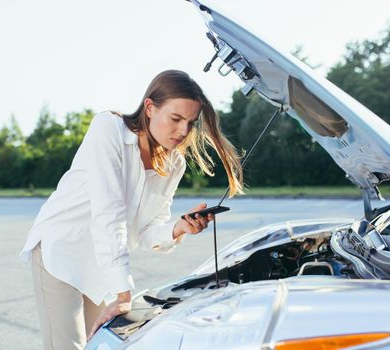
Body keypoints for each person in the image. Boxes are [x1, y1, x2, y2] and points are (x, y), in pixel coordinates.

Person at [19, 70, 244, 349]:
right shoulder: (108, 129)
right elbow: (108, 214)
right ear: (150, 108)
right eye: (175, 119)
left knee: (102, 345)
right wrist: (124, 294)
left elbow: (148, 231)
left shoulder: (174, 164)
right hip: (62, 250)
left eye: (190, 123)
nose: (183, 131)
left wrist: (179, 227)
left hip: (100, 265)